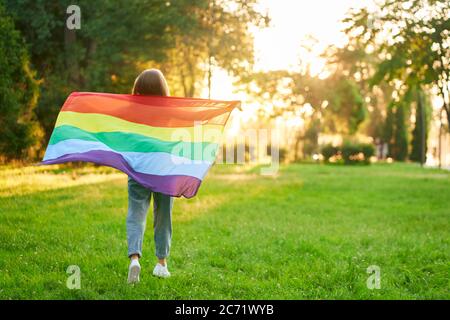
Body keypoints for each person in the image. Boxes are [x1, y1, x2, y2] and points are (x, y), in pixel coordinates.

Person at [127, 69, 173, 283]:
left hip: (138, 168)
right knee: (163, 215)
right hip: (164, 170)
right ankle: (161, 264)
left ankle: (134, 258)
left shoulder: (131, 111)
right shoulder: (171, 112)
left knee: (136, 212)